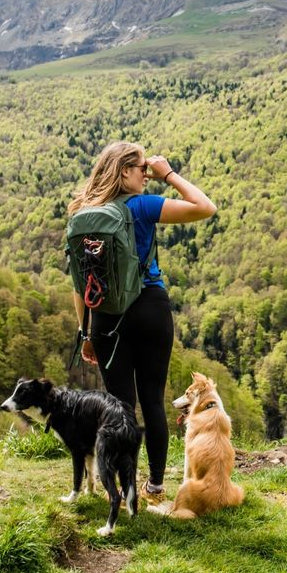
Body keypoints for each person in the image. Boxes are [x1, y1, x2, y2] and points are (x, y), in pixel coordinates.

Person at [67, 141, 216, 500]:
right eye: (142, 169)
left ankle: (123, 488)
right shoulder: (143, 206)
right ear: (123, 173)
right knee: (152, 400)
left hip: (107, 318)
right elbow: (205, 207)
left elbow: (79, 285)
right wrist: (169, 174)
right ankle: (156, 487)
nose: (147, 176)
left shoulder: (84, 214)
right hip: (150, 309)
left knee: (120, 408)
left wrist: (86, 333)